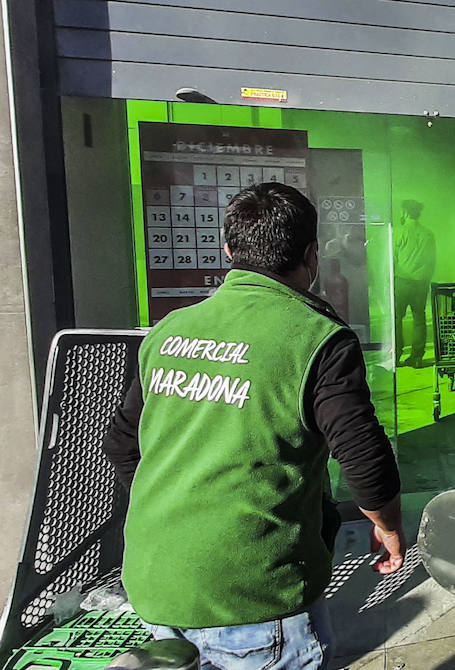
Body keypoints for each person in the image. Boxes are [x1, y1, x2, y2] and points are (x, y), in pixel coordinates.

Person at [100, 182, 406, 669]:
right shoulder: (318, 338)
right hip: (257, 595)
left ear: (227, 251)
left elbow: (121, 444)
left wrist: (177, 520)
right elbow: (365, 460)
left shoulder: (168, 330)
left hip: (155, 583)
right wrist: (387, 525)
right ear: (312, 255)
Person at [393, 199, 436, 367]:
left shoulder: (398, 232)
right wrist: (426, 278)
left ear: (404, 212)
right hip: (421, 282)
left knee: (397, 318)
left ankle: (396, 355)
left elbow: (392, 258)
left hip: (402, 281)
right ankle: (417, 357)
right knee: (419, 318)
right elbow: (432, 261)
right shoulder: (428, 234)